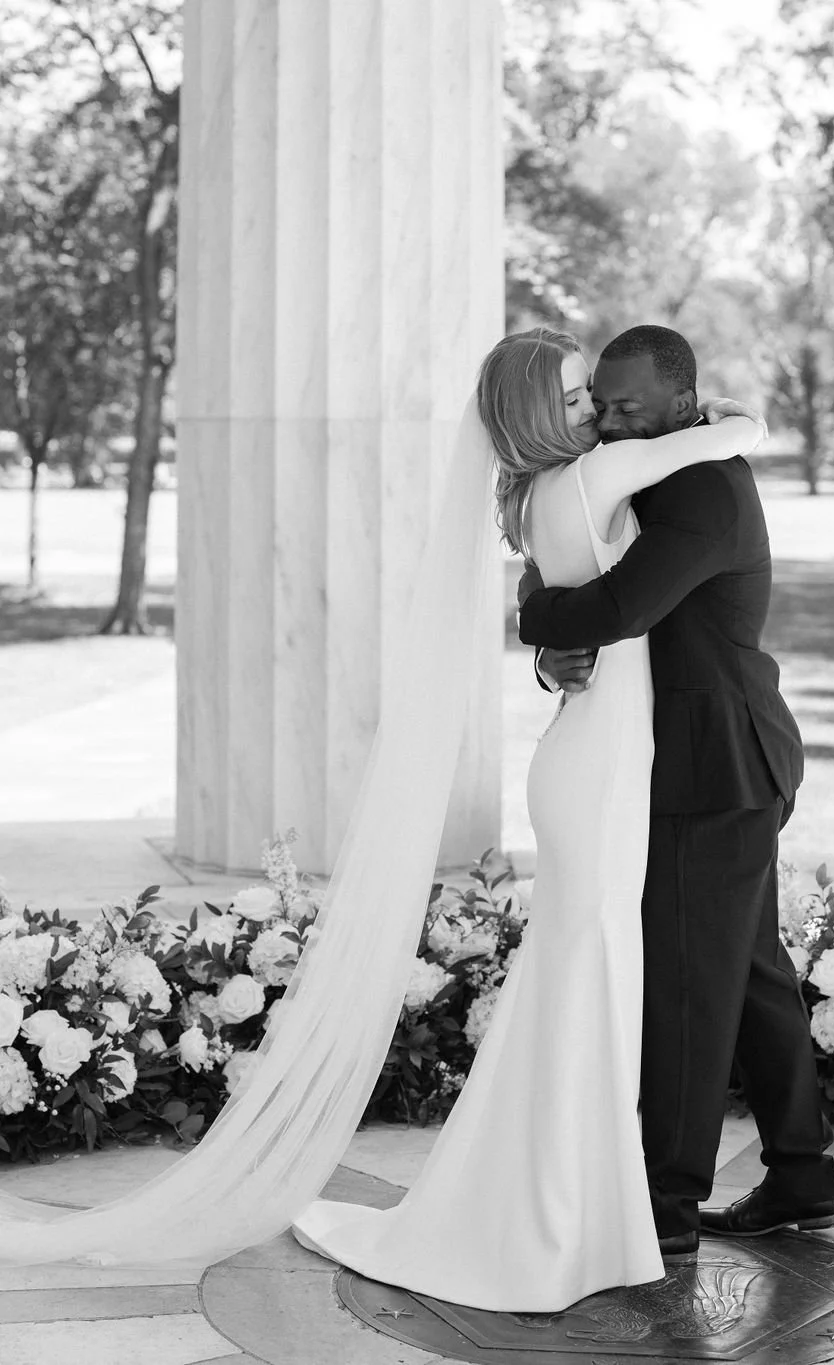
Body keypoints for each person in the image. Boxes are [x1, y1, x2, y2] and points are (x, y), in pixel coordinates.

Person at [289, 326, 768, 1310]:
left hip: (591, 757)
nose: (595, 409)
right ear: (535, 418)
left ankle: (571, 1204)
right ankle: (562, 1220)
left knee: (580, 987)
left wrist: (538, 622)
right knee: (589, 984)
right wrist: (724, 415)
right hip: (595, 771)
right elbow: (733, 434)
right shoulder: (597, 478)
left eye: (593, 393)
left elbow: (567, 587)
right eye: (577, 397)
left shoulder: (556, 491)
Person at [517, 324, 834, 1253]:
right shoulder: (655, 468)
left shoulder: (700, 484)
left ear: (679, 401)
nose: (609, 423)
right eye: (602, 406)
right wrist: (553, 648)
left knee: (691, 990)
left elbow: (621, 608)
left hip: (718, 765)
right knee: (747, 972)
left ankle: (665, 1208)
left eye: (627, 408)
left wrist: (532, 611)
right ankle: (803, 1176)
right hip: (710, 759)